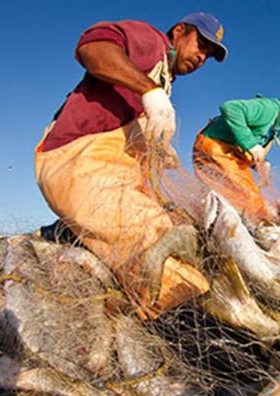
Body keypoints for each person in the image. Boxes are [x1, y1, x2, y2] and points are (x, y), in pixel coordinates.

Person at [34, 12, 228, 318]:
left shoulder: (164, 77)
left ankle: (70, 236)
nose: (202, 57)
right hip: (79, 162)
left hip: (111, 172)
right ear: (179, 31)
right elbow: (93, 46)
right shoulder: (151, 41)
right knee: (165, 262)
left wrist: (157, 150)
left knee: (179, 233)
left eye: (209, 55)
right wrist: (149, 90)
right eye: (201, 45)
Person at [193, 93, 280, 223]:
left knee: (254, 201)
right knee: (248, 199)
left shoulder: (276, 126)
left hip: (230, 155)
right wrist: (251, 145)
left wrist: (259, 164)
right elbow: (230, 108)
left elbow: (247, 148)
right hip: (214, 146)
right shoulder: (269, 108)